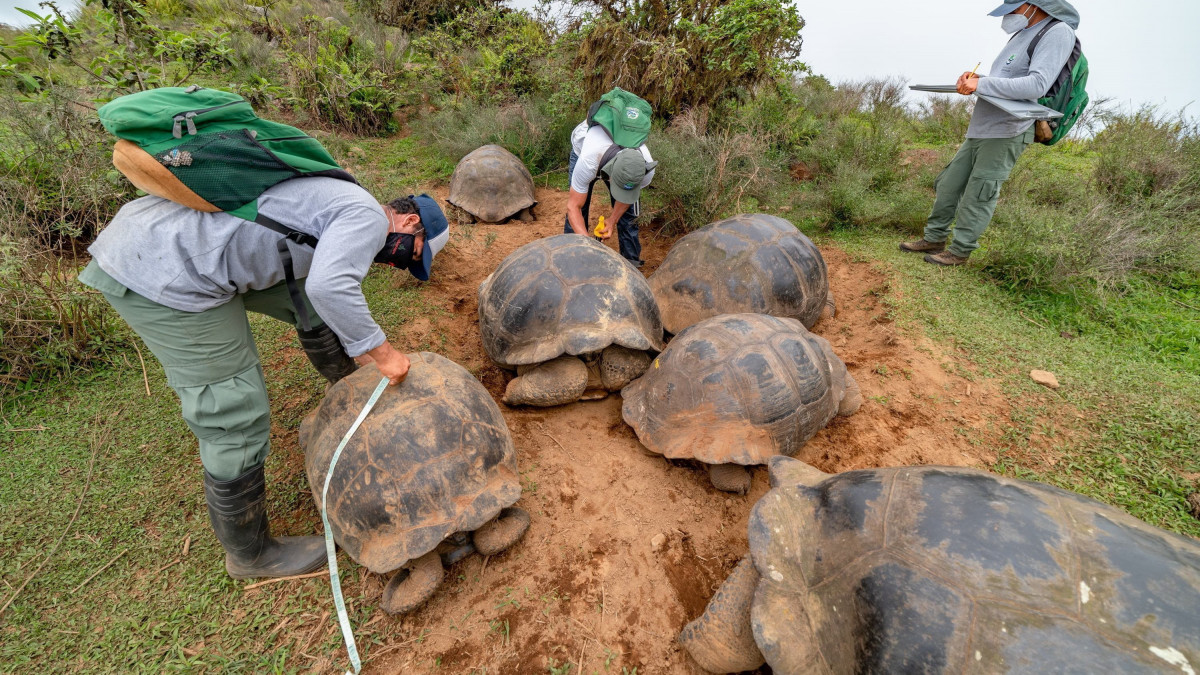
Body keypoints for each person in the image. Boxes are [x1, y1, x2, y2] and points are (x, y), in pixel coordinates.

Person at [78, 178, 449, 579]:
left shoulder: (341, 199)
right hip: (162, 267)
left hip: (166, 235)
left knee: (307, 296)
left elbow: (316, 287)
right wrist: (385, 354)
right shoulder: (368, 218)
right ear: (409, 221)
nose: (398, 263)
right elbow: (333, 286)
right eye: (411, 254)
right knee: (233, 410)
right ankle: (252, 554)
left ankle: (350, 391)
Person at [901, 0, 1079, 266]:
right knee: (949, 184)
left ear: (1034, 5)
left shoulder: (1058, 31)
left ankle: (960, 251)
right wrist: (976, 79)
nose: (1009, 15)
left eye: (1014, 8)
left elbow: (1037, 85)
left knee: (980, 192)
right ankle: (935, 237)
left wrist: (981, 84)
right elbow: (1006, 79)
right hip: (983, 126)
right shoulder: (1023, 32)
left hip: (1009, 129)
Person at [563, 115, 658, 267]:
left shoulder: (645, 170)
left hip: (614, 157)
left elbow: (627, 197)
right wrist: (589, 246)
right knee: (581, 207)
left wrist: (612, 220)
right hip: (584, 146)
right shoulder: (589, 160)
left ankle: (631, 263)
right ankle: (572, 257)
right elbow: (573, 207)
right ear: (609, 174)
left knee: (630, 213)